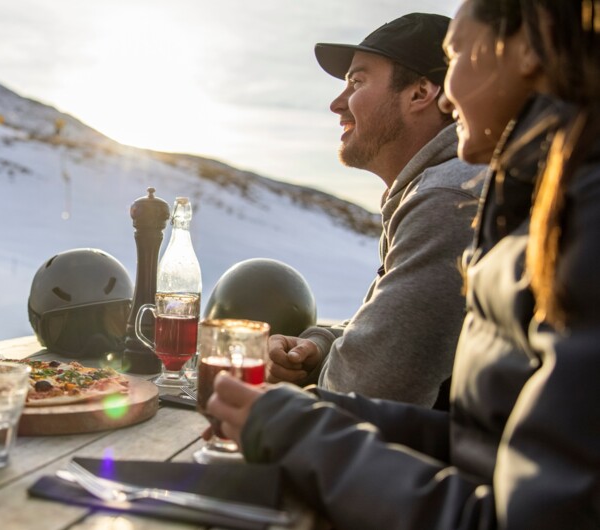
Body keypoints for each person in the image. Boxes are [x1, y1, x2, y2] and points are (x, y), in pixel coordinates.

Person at [207, 0, 600, 527]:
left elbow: (377, 381)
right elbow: (481, 441)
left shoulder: (458, 195)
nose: (451, 97)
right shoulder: (523, 193)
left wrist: (297, 426)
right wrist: (313, 374)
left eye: (458, 56)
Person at [267, 13, 484, 409]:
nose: (337, 103)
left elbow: (367, 386)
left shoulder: (449, 195)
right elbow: (388, 334)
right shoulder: (435, 186)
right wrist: (320, 346)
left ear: (421, 93)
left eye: (357, 82)